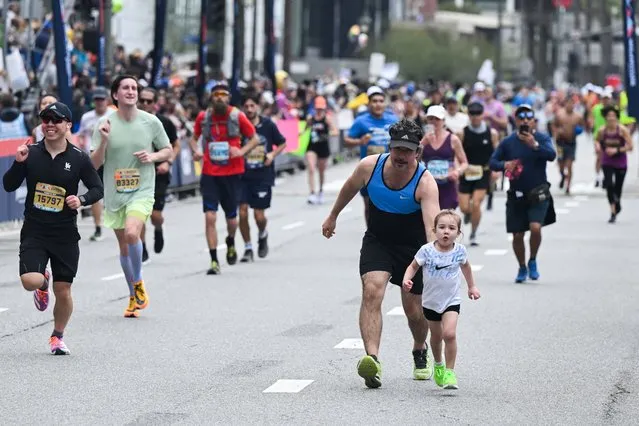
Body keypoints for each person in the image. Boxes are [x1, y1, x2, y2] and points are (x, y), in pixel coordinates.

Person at [322, 118, 440, 389]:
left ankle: (419, 348)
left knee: (414, 311)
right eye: (397, 149)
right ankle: (372, 360)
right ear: (389, 147)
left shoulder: (425, 182)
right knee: (372, 289)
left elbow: (431, 229)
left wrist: (434, 261)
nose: (402, 156)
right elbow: (349, 188)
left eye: (408, 151)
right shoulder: (369, 166)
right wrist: (333, 216)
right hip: (379, 240)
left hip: (413, 248)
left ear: (418, 153)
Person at [2, 102, 103, 354]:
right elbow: (8, 186)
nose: (50, 124)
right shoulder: (31, 153)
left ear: (68, 125)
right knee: (30, 281)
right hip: (35, 229)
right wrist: (17, 163)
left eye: (56, 120)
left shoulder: (79, 158)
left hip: (64, 233)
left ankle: (57, 336)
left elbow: (97, 189)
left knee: (64, 289)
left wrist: (80, 200)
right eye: (45, 119)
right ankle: (42, 282)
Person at [91, 75, 173, 318]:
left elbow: (167, 150)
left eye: (134, 88)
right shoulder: (104, 123)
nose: (131, 91)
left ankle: (137, 282)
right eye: (125, 88)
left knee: (131, 233)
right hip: (115, 193)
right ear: (115, 95)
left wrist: (153, 157)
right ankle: (133, 296)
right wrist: (104, 141)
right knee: (124, 248)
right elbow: (95, 163)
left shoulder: (151, 122)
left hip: (142, 190)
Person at [402, 209, 480, 390]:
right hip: (430, 302)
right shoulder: (426, 251)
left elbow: (466, 268)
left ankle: (450, 372)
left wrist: (472, 287)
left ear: (458, 233)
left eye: (451, 228)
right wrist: (407, 279)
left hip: (451, 300)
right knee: (436, 337)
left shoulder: (460, 251)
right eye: (442, 227)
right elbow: (413, 267)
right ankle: (438, 364)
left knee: (449, 334)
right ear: (434, 230)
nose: (446, 231)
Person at [189, 83, 259, 274]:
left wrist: (241, 151)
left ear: (228, 98)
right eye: (216, 95)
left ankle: (230, 240)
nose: (220, 98)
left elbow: (254, 138)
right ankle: (214, 261)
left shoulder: (237, 116)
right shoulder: (204, 117)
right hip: (210, 174)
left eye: (223, 95)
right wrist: (195, 151)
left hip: (233, 173)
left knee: (232, 219)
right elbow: (193, 138)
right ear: (211, 97)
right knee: (210, 216)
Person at [489, 104, 557, 283]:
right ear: (516, 120)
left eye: (529, 117)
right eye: (521, 118)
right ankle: (522, 266)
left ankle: (533, 259)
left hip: (538, 192)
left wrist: (534, 145)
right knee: (517, 234)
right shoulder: (508, 142)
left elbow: (551, 155)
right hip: (516, 194)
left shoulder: (541, 138)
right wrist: (505, 165)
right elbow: (493, 162)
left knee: (535, 227)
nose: (525, 120)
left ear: (533, 120)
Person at [239, 94, 287, 262]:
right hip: (242, 175)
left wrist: (272, 154)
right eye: (246, 106)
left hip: (262, 175)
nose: (250, 109)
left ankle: (262, 233)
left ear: (258, 107)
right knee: (242, 212)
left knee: (259, 215)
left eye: (252, 106)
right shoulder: (239, 125)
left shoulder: (267, 125)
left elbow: (282, 142)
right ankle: (247, 248)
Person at [344, 86, 399, 223]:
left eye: (381, 101)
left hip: (391, 169)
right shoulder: (361, 121)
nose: (378, 104)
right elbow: (347, 141)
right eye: (374, 101)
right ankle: (372, 234)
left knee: (389, 205)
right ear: (368, 104)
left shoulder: (393, 119)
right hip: (369, 170)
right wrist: (359, 141)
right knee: (369, 205)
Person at [137, 87, 180, 260]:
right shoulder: (130, 122)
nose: (145, 104)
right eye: (143, 100)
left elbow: (176, 145)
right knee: (139, 214)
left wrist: (168, 162)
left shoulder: (164, 122)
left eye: (149, 101)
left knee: (155, 215)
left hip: (158, 174)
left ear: (155, 104)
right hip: (137, 175)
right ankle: (142, 248)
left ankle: (158, 228)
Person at [457, 102, 499, 246]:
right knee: (463, 207)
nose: (475, 117)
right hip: (466, 172)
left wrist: (496, 170)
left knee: (476, 204)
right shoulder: (462, 133)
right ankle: (468, 214)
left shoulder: (491, 133)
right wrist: (457, 168)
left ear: (483, 115)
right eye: (472, 114)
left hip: (483, 172)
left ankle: (474, 233)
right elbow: (457, 153)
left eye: (478, 114)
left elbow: (497, 153)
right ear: (468, 115)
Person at [76, 87, 114, 242]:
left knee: (114, 192)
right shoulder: (87, 117)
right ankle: (98, 227)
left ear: (107, 100)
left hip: (112, 159)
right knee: (96, 193)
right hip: (92, 160)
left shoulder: (113, 115)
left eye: (102, 99)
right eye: (96, 100)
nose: (99, 102)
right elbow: (80, 134)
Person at [421, 105, 468, 210]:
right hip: (428, 186)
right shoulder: (423, 139)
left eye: (437, 119)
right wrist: (423, 142)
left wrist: (457, 172)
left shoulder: (453, 139)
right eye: (430, 118)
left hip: (447, 186)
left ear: (443, 121)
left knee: (445, 221)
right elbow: (413, 158)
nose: (433, 122)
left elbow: (464, 163)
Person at [594, 105, 634, 223]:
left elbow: (631, 146)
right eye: (609, 116)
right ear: (605, 118)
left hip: (620, 161)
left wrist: (617, 150)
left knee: (618, 187)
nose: (611, 118)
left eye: (613, 116)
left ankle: (617, 203)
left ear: (616, 117)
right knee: (609, 184)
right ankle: (612, 211)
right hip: (607, 161)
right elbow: (597, 140)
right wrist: (597, 146)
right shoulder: (602, 130)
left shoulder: (622, 130)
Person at [305, 96, 338, 204]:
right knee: (311, 167)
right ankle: (312, 193)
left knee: (321, 171)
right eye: (317, 108)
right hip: (312, 145)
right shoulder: (311, 118)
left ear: (324, 108)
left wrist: (328, 134)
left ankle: (320, 191)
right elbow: (306, 128)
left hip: (323, 146)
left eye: (321, 108)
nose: (319, 110)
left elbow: (335, 131)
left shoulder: (327, 119)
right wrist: (300, 133)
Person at [551, 95, 585, 194]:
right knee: (561, 164)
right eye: (568, 103)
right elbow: (553, 125)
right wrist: (557, 132)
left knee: (569, 165)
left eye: (572, 103)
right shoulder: (559, 114)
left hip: (571, 142)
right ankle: (563, 176)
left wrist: (578, 131)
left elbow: (582, 126)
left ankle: (568, 186)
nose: (570, 105)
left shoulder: (578, 116)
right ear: (565, 104)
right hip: (560, 143)